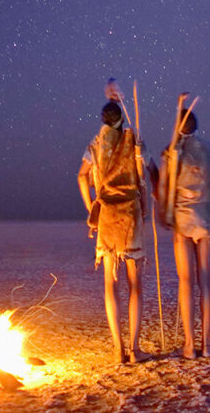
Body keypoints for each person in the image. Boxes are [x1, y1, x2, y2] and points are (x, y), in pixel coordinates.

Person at [78, 99, 154, 363]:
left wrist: (93, 208)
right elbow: (146, 168)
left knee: (110, 283)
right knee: (135, 285)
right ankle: (134, 349)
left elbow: (81, 176)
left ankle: (117, 350)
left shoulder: (96, 144)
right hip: (130, 214)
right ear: (120, 117)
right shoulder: (132, 139)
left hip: (108, 215)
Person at [159, 95, 210, 358]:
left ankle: (190, 345)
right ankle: (206, 345)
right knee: (205, 280)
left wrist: (164, 213)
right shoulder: (207, 150)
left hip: (182, 220)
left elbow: (164, 186)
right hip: (205, 218)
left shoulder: (172, 152)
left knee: (186, 281)